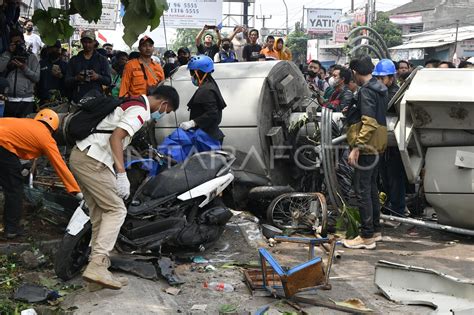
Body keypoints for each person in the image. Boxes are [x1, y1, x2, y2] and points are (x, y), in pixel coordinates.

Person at [69, 85, 180, 290]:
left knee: (101, 214)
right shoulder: (140, 110)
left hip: (82, 156)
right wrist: (121, 173)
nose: (162, 115)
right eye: (166, 111)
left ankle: (96, 274)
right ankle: (98, 265)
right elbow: (116, 137)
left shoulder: (131, 102)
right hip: (93, 160)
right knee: (116, 210)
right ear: (163, 103)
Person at [0, 109, 82, 239]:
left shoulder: (26, 123)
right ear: (54, 128)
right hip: (2, 146)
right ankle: (11, 229)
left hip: (4, 145)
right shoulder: (46, 138)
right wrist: (76, 191)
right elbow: (60, 166)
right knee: (14, 189)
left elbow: (16, 144)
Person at [344, 56, 388, 250]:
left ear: (354, 72)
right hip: (378, 143)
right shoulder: (380, 88)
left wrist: (357, 147)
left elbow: (369, 122)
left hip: (367, 146)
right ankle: (375, 230)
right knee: (370, 188)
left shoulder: (367, 91)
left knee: (362, 190)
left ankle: (366, 236)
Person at [372, 59, 406, 220]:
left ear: (391, 78)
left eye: (382, 78)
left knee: (395, 179)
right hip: (383, 142)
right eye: (377, 78)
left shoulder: (394, 93)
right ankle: (388, 210)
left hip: (394, 143)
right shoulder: (383, 91)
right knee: (384, 178)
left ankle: (398, 212)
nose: (379, 81)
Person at [179, 55, 227, 143]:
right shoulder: (210, 84)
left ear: (197, 72)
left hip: (207, 138)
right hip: (207, 135)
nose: (191, 76)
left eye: (191, 72)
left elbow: (212, 114)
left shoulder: (207, 90)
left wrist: (193, 123)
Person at [0, 30, 40, 117]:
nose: (17, 45)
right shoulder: (7, 55)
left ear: (23, 41)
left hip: (26, 101)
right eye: (14, 43)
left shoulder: (31, 57)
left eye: (19, 42)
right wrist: (9, 53)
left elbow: (36, 77)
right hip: (8, 100)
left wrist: (24, 68)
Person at [65, 30, 111, 103]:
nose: (87, 45)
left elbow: (108, 81)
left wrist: (97, 76)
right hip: (78, 98)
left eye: (90, 42)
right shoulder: (74, 60)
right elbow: (67, 81)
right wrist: (77, 78)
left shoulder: (102, 60)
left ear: (94, 42)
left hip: (96, 99)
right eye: (85, 42)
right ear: (81, 42)